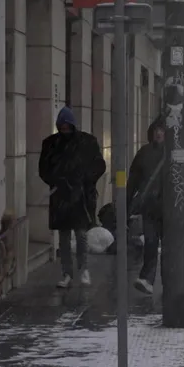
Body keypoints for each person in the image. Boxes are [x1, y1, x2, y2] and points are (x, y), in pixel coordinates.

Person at [127, 116, 184, 294]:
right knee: (150, 244)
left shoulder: (178, 154)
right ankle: (147, 279)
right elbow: (133, 181)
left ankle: (169, 284)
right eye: (156, 130)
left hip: (170, 210)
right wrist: (127, 205)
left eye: (162, 130)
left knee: (169, 249)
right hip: (150, 209)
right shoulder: (144, 153)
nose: (159, 133)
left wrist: (179, 202)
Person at [39, 106, 107, 288]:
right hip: (61, 195)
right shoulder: (50, 144)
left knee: (81, 233)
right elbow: (43, 170)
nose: (65, 130)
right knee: (64, 236)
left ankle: (83, 268)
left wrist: (86, 180)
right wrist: (56, 181)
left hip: (80, 195)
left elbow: (99, 165)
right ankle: (67, 273)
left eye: (68, 127)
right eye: (62, 127)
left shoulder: (87, 142)